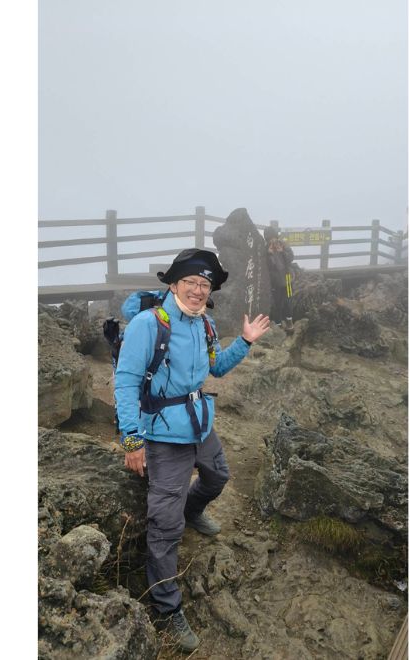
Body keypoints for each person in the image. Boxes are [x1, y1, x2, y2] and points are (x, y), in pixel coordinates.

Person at [114, 249, 270, 652]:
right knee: (165, 526)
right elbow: (126, 382)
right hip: (164, 435)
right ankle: (168, 607)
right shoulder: (149, 324)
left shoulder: (206, 325)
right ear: (174, 284)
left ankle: (193, 509)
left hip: (200, 423)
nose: (199, 290)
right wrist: (132, 440)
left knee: (218, 477)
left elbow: (215, 368)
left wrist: (246, 343)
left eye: (205, 284)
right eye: (192, 282)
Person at [264, 226, 295, 332]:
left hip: (287, 278)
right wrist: (269, 254)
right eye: (269, 238)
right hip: (275, 282)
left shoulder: (283, 245)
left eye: (273, 237)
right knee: (277, 303)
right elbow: (266, 267)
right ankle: (278, 324)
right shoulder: (265, 250)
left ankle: (289, 322)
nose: (272, 240)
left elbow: (290, 259)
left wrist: (282, 252)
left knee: (289, 300)